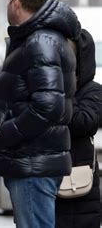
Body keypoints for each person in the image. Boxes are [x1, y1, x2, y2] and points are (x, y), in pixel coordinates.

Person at [0, 0, 80, 228]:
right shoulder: (44, 39)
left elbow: (48, 106)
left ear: (15, 2)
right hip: (33, 160)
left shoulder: (40, 42)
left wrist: (6, 133)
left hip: (32, 163)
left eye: (7, 0)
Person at [55, 29, 102, 228]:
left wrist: (66, 88)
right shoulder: (49, 87)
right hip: (49, 176)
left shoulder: (93, 90)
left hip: (79, 181)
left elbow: (83, 123)